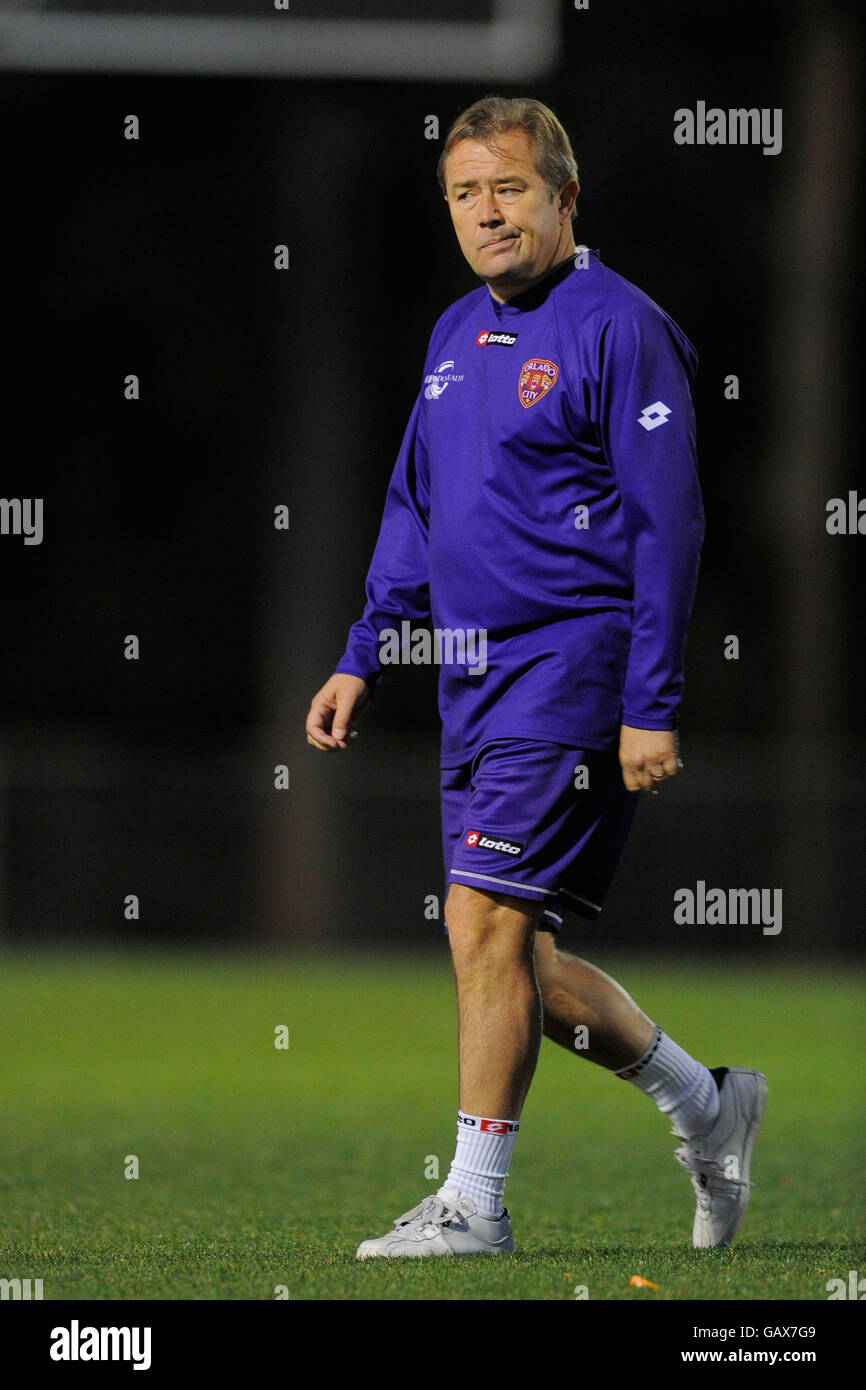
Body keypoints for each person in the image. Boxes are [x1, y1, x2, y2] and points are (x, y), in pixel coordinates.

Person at [305, 95, 766, 1258]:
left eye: (508, 187)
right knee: (514, 952)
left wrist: (650, 700)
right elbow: (416, 504)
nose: (486, 211)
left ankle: (473, 1201)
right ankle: (704, 1104)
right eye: (464, 192)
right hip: (470, 679)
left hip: (574, 666)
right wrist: (363, 652)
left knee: (482, 918)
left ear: (563, 198)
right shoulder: (455, 333)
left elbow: (670, 526)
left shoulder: (621, 328)